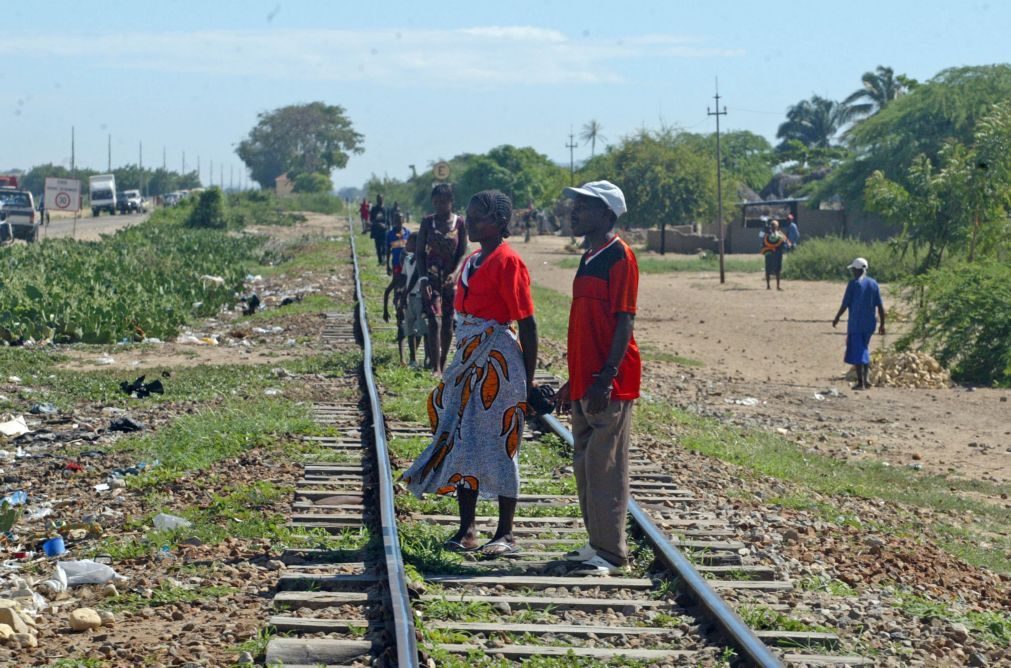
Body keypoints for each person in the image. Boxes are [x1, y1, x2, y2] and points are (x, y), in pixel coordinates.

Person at [402, 190, 539, 557]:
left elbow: (527, 323)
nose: (471, 221)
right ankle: (468, 530)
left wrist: (528, 382)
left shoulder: (509, 261)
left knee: (500, 441)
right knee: (464, 440)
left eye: (478, 217)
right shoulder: (476, 259)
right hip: (468, 359)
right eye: (471, 215)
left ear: (498, 221)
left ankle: (506, 533)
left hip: (498, 363)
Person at [555, 180, 640, 576]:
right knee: (586, 464)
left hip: (609, 382)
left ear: (606, 214)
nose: (574, 212)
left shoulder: (620, 257)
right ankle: (596, 543)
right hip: (585, 380)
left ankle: (611, 552)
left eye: (584, 206)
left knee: (607, 467)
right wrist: (572, 381)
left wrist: (606, 377)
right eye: (575, 205)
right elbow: (584, 325)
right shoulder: (590, 256)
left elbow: (625, 321)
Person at [411, 183, 467, 375]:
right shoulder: (427, 222)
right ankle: (435, 366)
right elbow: (419, 253)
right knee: (434, 321)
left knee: (449, 320)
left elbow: (462, 253)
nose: (440, 206)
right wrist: (423, 278)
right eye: (436, 202)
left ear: (451, 202)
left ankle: (443, 364)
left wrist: (456, 273)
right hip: (431, 278)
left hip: (450, 280)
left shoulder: (459, 223)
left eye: (444, 202)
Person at [832, 257, 886, 390]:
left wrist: (837, 317)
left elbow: (845, 304)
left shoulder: (853, 284)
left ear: (857, 270)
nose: (852, 273)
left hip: (856, 323)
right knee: (864, 349)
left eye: (853, 270)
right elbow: (880, 306)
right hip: (869, 324)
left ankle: (861, 382)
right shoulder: (873, 284)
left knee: (858, 352)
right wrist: (882, 324)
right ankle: (866, 380)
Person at [400, 235, 427, 368]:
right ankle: (413, 358)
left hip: (419, 297)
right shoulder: (407, 259)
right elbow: (404, 278)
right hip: (409, 296)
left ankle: (423, 357)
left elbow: (416, 278)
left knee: (421, 329)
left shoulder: (422, 260)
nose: (406, 244)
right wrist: (401, 295)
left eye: (410, 242)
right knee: (409, 328)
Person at [382, 264, 409, 365]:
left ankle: (409, 355)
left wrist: (385, 311)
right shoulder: (398, 277)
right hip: (400, 304)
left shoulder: (411, 275)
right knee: (401, 329)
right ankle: (402, 358)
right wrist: (385, 311)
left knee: (412, 331)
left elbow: (387, 292)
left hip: (410, 302)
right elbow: (387, 291)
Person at [761, 219, 791, 290]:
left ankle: (778, 286)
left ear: (777, 227)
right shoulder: (767, 233)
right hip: (769, 254)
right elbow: (763, 241)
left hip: (778, 253)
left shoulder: (780, 233)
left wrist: (788, 244)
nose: (774, 227)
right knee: (768, 269)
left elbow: (786, 240)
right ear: (771, 226)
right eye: (773, 226)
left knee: (778, 270)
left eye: (775, 226)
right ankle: (768, 285)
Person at [385, 212, 410, 276]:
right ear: (393, 221)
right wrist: (387, 265)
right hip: (396, 263)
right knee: (396, 281)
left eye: (400, 219)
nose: (398, 222)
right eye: (396, 220)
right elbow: (388, 250)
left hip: (407, 264)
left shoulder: (408, 233)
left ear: (403, 220)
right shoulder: (390, 234)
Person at [370, 195, 388, 264]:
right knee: (378, 246)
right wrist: (377, 224)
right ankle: (380, 260)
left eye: (381, 199)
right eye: (378, 199)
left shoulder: (385, 209)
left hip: (384, 231)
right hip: (376, 231)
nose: (380, 200)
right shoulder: (374, 209)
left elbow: (388, 220)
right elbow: (371, 219)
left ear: (383, 199)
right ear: (377, 200)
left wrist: (386, 226)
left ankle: (384, 259)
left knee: (384, 246)